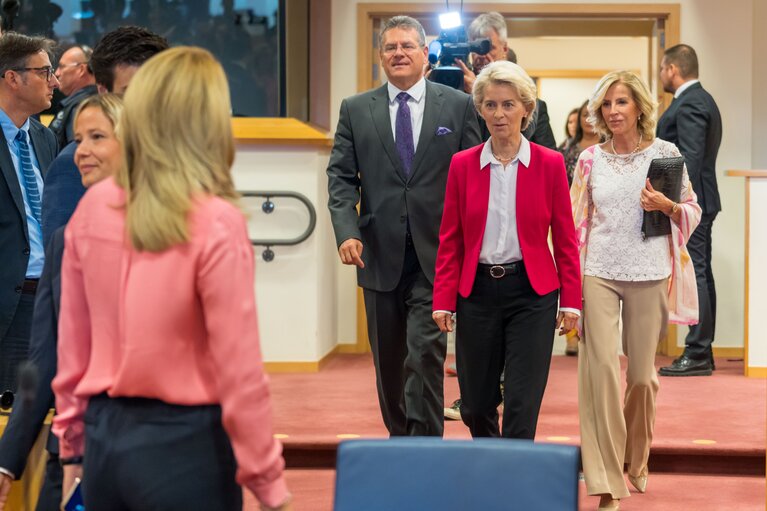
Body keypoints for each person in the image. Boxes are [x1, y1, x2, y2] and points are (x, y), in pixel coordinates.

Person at [52, 47, 291, 511]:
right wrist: (267, 483)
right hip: (185, 449)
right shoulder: (214, 218)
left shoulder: (95, 207)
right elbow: (237, 369)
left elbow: (72, 347)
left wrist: (73, 448)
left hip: (105, 444)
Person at [0, 28, 168, 510]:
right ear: (105, 93)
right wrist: (12, 455)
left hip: (176, 436)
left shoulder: (193, 184)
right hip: (90, 425)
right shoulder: (78, 168)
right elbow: (59, 323)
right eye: (133, 96)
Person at [327, 15, 480, 437]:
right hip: (377, 252)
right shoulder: (356, 109)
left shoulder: (458, 105)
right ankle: (400, 440)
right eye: (390, 47)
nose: (398, 53)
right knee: (390, 363)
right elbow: (341, 177)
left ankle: (425, 448)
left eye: (407, 46)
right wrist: (347, 230)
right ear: (380, 57)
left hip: (438, 254)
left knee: (426, 354)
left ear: (424, 53)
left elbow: (473, 177)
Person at [570, 70, 701, 510]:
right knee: (601, 372)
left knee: (643, 378)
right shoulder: (589, 159)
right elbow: (574, 222)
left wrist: (667, 206)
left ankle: (635, 456)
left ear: (639, 107)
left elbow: (692, 208)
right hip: (600, 272)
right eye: (606, 104)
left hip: (648, 270)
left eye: (621, 102)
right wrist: (568, 287)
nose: (613, 111)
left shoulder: (665, 155)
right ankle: (607, 481)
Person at [432, 60, 581, 439]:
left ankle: (514, 480)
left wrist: (572, 301)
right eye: (491, 105)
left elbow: (564, 238)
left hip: (533, 295)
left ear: (527, 110)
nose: (499, 114)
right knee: (477, 403)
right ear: (480, 109)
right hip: (477, 293)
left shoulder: (548, 163)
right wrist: (443, 298)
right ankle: (491, 460)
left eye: (509, 104)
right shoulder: (462, 165)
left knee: (521, 400)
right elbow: (451, 238)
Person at [0, 94, 120, 511]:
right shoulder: (68, 241)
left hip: (155, 451)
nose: (79, 150)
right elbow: (48, 357)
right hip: (74, 445)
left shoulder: (182, 235)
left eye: (97, 137)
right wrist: (7, 462)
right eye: (79, 137)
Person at [0, 32, 59, 403]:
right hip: (8, 299)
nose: (54, 81)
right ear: (12, 78)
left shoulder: (44, 137)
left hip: (48, 296)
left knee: (38, 412)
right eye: (44, 72)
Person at [657, 44, 722, 377]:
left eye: (662, 69)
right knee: (701, 272)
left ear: (672, 69)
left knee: (696, 273)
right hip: (701, 200)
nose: (661, 75)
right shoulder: (700, 99)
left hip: (692, 203)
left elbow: (691, 158)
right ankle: (702, 350)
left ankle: (697, 351)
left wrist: (679, 207)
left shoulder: (692, 101)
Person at [457, 11, 557, 149]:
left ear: (504, 48)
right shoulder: (457, 93)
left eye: (489, 48)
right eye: (475, 48)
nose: (481, 55)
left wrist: (477, 92)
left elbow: (545, 154)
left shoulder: (532, 101)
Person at [48, 44, 97, 149]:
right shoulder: (92, 102)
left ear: (81, 70)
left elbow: (76, 153)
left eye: (62, 67)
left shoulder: (82, 107)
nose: (57, 73)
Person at [560, 100, 602, 187]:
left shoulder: (609, 147)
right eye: (585, 115)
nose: (589, 119)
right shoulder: (567, 147)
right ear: (579, 119)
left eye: (593, 114)